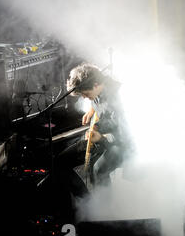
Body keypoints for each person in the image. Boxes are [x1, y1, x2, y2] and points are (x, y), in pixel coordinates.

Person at [54, 63, 129, 220]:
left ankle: (106, 214)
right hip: (101, 133)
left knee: (98, 170)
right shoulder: (98, 84)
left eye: (85, 94)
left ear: (95, 84)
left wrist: (101, 138)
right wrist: (92, 109)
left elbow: (125, 136)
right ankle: (87, 203)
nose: (84, 97)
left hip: (123, 143)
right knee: (59, 163)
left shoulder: (121, 99)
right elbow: (98, 99)